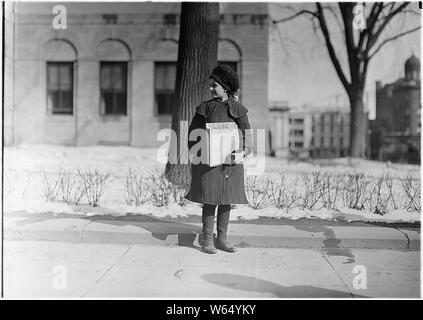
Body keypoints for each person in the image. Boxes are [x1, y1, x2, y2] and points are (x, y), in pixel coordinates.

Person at [185, 65, 253, 254]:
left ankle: (221, 239)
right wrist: (200, 150)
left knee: (226, 200)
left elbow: (247, 132)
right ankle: (207, 239)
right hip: (210, 162)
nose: (211, 88)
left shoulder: (238, 109)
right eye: (210, 85)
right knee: (210, 200)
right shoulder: (205, 108)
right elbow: (193, 134)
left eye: (215, 85)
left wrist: (244, 150)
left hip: (231, 163)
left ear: (225, 87)